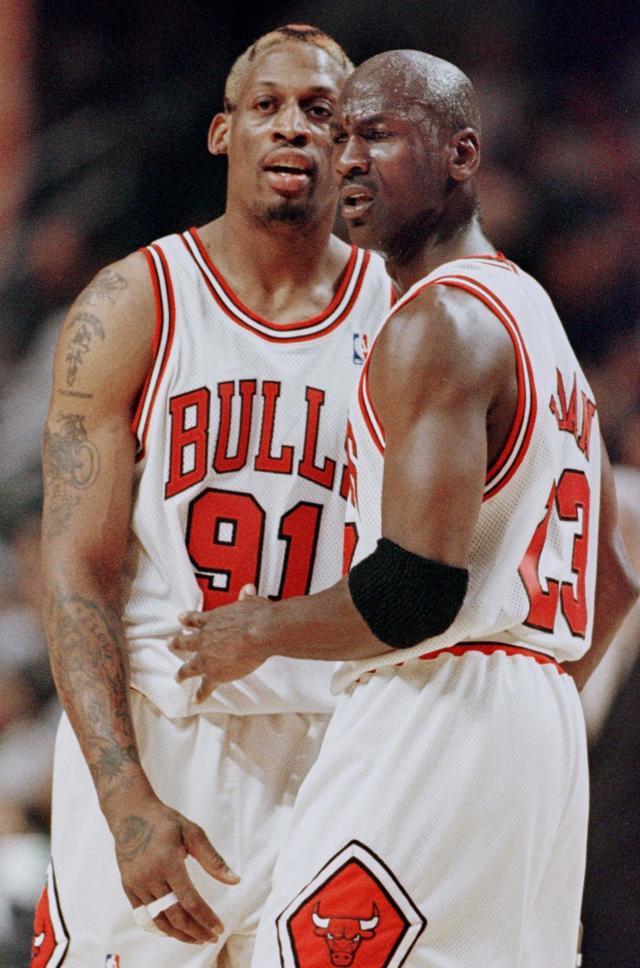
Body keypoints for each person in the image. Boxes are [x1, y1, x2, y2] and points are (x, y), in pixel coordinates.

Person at [171, 50, 640, 967]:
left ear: (462, 156)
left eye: (376, 134)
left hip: (437, 709)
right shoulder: (533, 314)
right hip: (535, 731)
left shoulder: (437, 323)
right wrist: (520, 706)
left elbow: (414, 593)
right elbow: (613, 582)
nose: (345, 157)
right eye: (340, 135)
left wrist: (253, 630)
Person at [35, 25, 392, 968]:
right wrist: (122, 797)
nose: (293, 130)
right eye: (267, 105)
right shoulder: (135, 302)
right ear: (220, 133)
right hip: (167, 725)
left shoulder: (403, 315)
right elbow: (75, 566)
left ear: (351, 143)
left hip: (338, 738)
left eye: (321, 112)